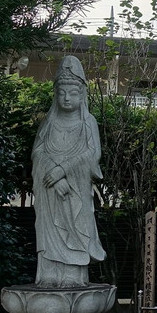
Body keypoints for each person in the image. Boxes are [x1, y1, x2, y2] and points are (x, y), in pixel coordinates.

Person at [32, 55, 105, 287]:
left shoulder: (88, 122)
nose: (66, 98)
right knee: (50, 229)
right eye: (62, 92)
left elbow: (92, 154)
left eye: (72, 93)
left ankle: (73, 276)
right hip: (49, 189)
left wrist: (63, 170)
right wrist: (53, 175)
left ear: (82, 95)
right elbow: (38, 152)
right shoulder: (49, 123)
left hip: (76, 190)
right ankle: (49, 275)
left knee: (76, 227)